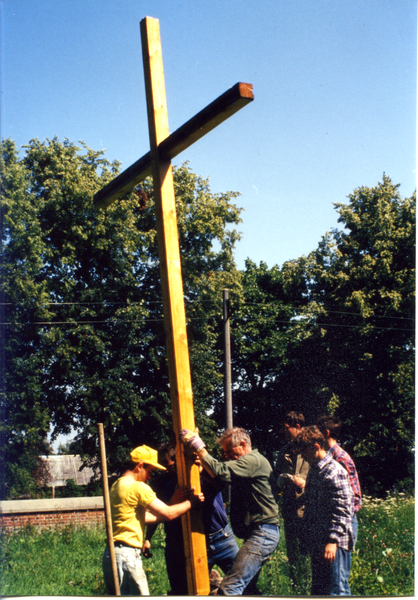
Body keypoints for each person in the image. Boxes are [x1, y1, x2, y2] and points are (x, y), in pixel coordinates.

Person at [180, 427, 280, 596]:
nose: (226, 457)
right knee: (248, 589)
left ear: (242, 444)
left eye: (229, 452)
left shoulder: (252, 461)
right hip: (261, 533)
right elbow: (219, 480)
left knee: (229, 589)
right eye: (224, 454)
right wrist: (203, 471)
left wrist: (197, 445)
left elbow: (221, 471)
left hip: (263, 533)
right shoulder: (249, 465)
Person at [102, 444, 203, 596]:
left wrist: (171, 503)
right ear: (140, 466)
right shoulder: (138, 487)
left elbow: (146, 517)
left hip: (112, 554)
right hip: (127, 556)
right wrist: (191, 503)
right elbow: (168, 514)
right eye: (150, 472)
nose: (150, 477)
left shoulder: (117, 485)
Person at [144, 443, 239, 595]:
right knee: (191, 589)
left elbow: (223, 481)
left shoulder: (202, 470)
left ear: (180, 460)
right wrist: (148, 537)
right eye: (164, 467)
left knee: (243, 579)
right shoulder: (166, 484)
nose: (168, 471)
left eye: (170, 466)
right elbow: (160, 511)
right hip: (193, 540)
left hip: (221, 536)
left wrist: (202, 471)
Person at [294, 426, 354, 596]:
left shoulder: (334, 471)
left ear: (316, 446)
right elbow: (311, 505)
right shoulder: (314, 470)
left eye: (303, 451)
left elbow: (343, 509)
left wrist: (333, 540)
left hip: (335, 543)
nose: (301, 456)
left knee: (337, 590)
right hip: (318, 540)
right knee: (319, 591)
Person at [274, 411, 310, 590]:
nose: (284, 432)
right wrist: (280, 481)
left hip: (309, 509)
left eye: (287, 428)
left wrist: (306, 484)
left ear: (297, 427)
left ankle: (309, 584)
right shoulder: (284, 452)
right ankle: (296, 586)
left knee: (309, 551)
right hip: (289, 510)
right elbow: (275, 480)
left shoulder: (312, 448)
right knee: (293, 552)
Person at [317, 415, 362, 547]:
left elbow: (354, 495)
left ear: (326, 433)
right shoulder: (328, 456)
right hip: (333, 520)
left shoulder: (340, 457)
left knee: (340, 567)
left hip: (344, 522)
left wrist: (342, 521)